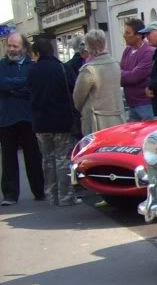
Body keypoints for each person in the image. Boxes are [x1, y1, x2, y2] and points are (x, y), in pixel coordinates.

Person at [26, 37, 77, 206]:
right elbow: (73, 89)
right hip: (61, 121)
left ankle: (51, 195)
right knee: (63, 159)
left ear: (37, 53)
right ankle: (65, 196)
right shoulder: (62, 68)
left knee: (47, 159)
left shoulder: (31, 70)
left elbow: (28, 91)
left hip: (40, 122)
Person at [0, 32, 45, 206]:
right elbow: (1, 84)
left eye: (15, 46)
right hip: (7, 118)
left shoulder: (31, 65)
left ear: (24, 48)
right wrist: (20, 84)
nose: (11, 49)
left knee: (33, 156)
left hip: (28, 117)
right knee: (8, 158)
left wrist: (11, 88)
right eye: (9, 46)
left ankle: (39, 191)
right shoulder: (2, 65)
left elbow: (32, 88)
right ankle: (10, 195)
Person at [73, 30, 126, 134]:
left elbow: (78, 98)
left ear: (88, 46)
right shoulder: (115, 63)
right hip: (117, 116)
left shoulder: (89, 69)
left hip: (97, 121)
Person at [120, 19, 156, 121]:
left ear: (139, 35)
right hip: (131, 104)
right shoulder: (127, 50)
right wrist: (124, 74)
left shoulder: (148, 52)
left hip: (145, 105)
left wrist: (122, 74)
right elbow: (119, 73)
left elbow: (134, 77)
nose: (124, 35)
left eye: (128, 32)